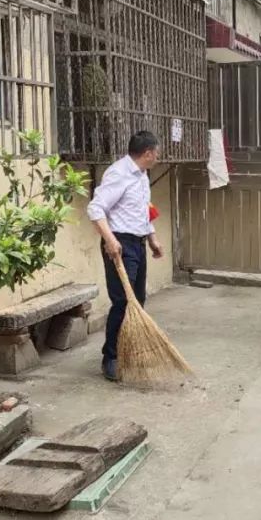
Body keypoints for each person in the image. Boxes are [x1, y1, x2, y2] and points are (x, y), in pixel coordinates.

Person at [86, 131, 165, 381]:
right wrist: (110, 241)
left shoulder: (141, 175)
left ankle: (127, 351)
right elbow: (96, 208)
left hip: (137, 243)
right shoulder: (118, 173)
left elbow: (142, 210)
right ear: (148, 153)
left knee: (137, 300)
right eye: (157, 152)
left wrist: (152, 239)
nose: (158, 157)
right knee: (123, 302)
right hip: (120, 244)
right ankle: (110, 358)